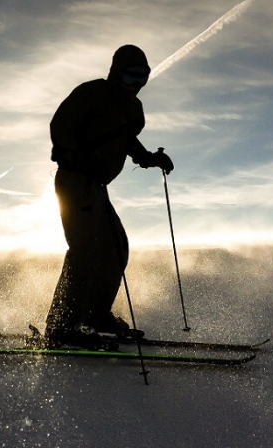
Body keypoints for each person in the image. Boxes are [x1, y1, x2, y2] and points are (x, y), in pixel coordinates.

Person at [45, 44, 174, 348]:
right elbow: (60, 125)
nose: (135, 85)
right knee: (86, 250)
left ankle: (93, 315)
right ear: (117, 73)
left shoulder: (131, 109)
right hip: (77, 180)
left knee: (116, 248)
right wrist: (71, 154)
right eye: (130, 77)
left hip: (97, 186)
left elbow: (128, 140)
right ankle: (62, 325)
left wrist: (150, 158)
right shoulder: (91, 94)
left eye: (142, 79)